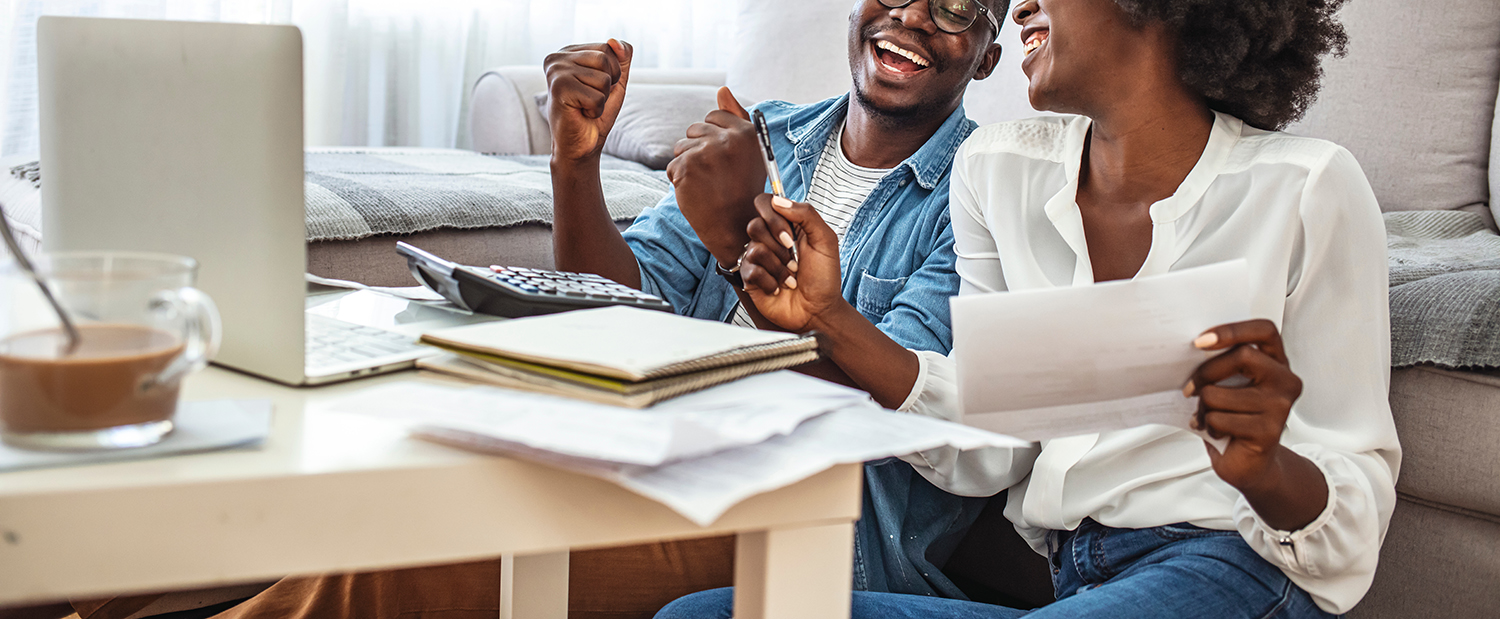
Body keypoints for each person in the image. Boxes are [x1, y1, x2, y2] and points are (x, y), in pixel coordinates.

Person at [657, 0, 1400, 617]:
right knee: (703, 614)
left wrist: (1264, 468)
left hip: (1237, 564)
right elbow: (990, 446)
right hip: (1076, 582)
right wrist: (825, 317)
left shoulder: (1307, 188)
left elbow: (1351, 529)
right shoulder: (1000, 171)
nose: (1019, 8)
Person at [545, 0, 1024, 607]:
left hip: (817, 530)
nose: (914, 15)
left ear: (988, 59)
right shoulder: (767, 133)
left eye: (957, 7)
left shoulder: (982, 194)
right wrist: (575, 163)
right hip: (661, 458)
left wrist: (732, 242)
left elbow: (897, 398)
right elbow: (616, 306)